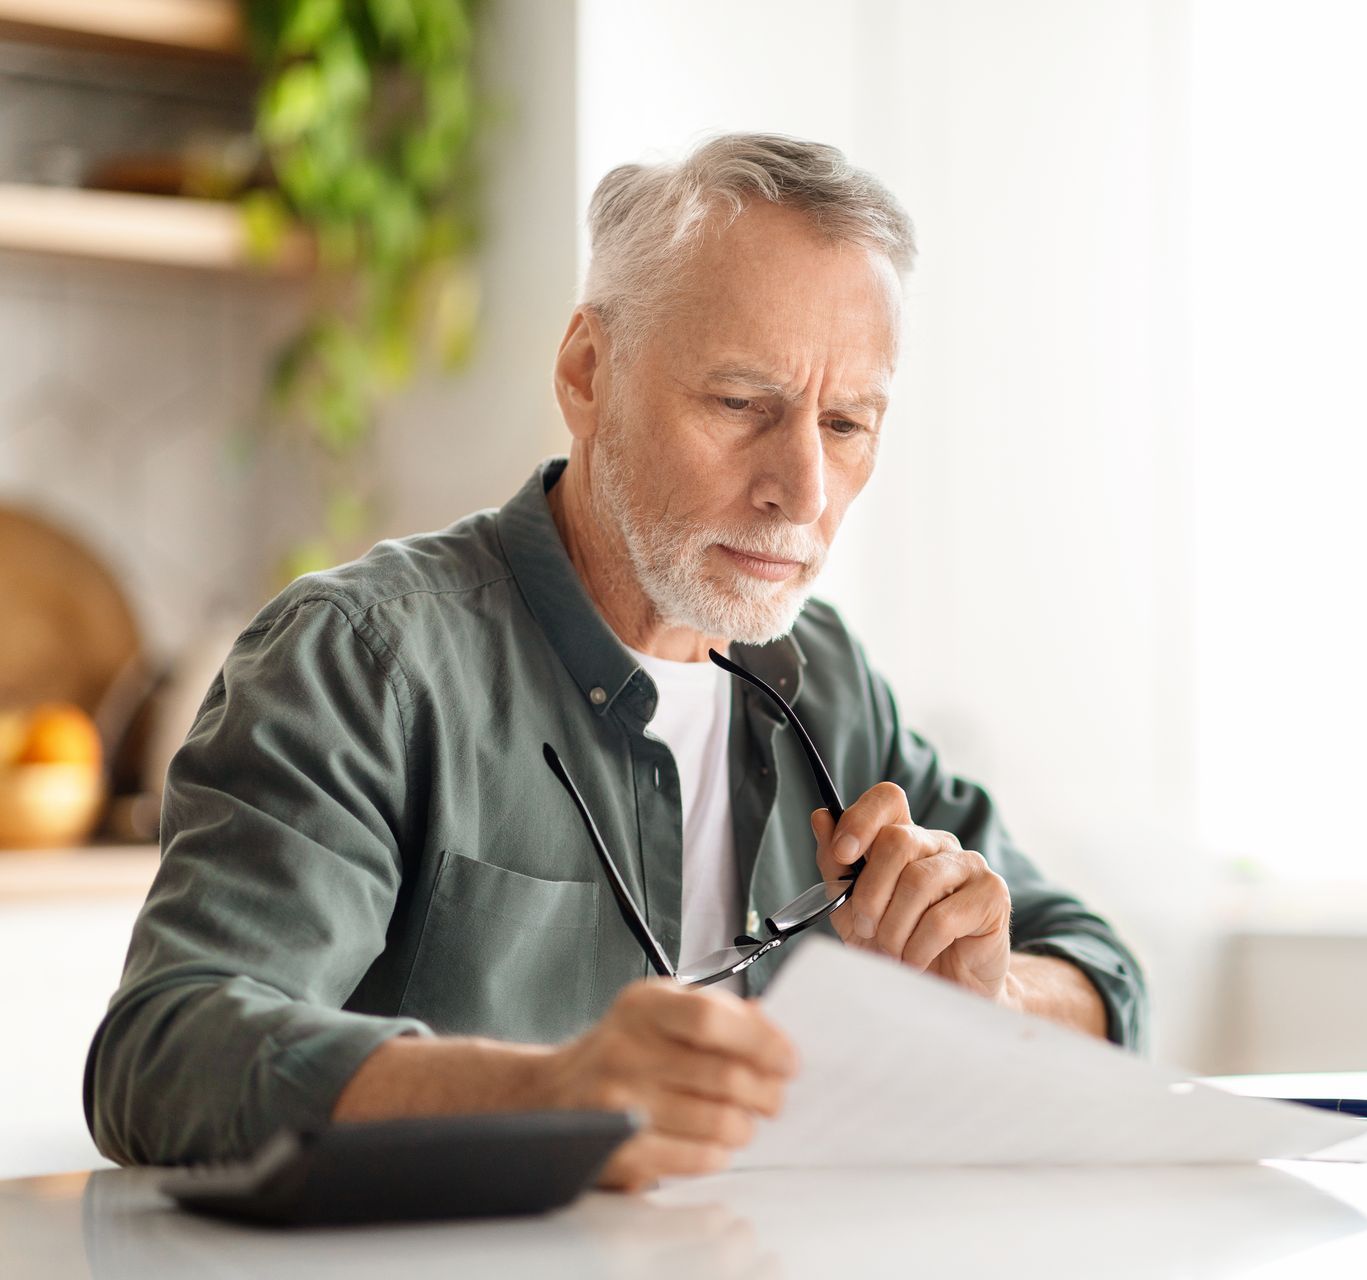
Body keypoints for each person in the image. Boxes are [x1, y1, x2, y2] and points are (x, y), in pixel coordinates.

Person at [86, 133, 1146, 1190]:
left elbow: (1107, 979)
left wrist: (994, 994)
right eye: (741, 404)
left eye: (846, 422)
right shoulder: (362, 661)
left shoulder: (823, 676)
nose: (804, 488)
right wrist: (546, 1095)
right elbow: (164, 1054)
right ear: (588, 373)